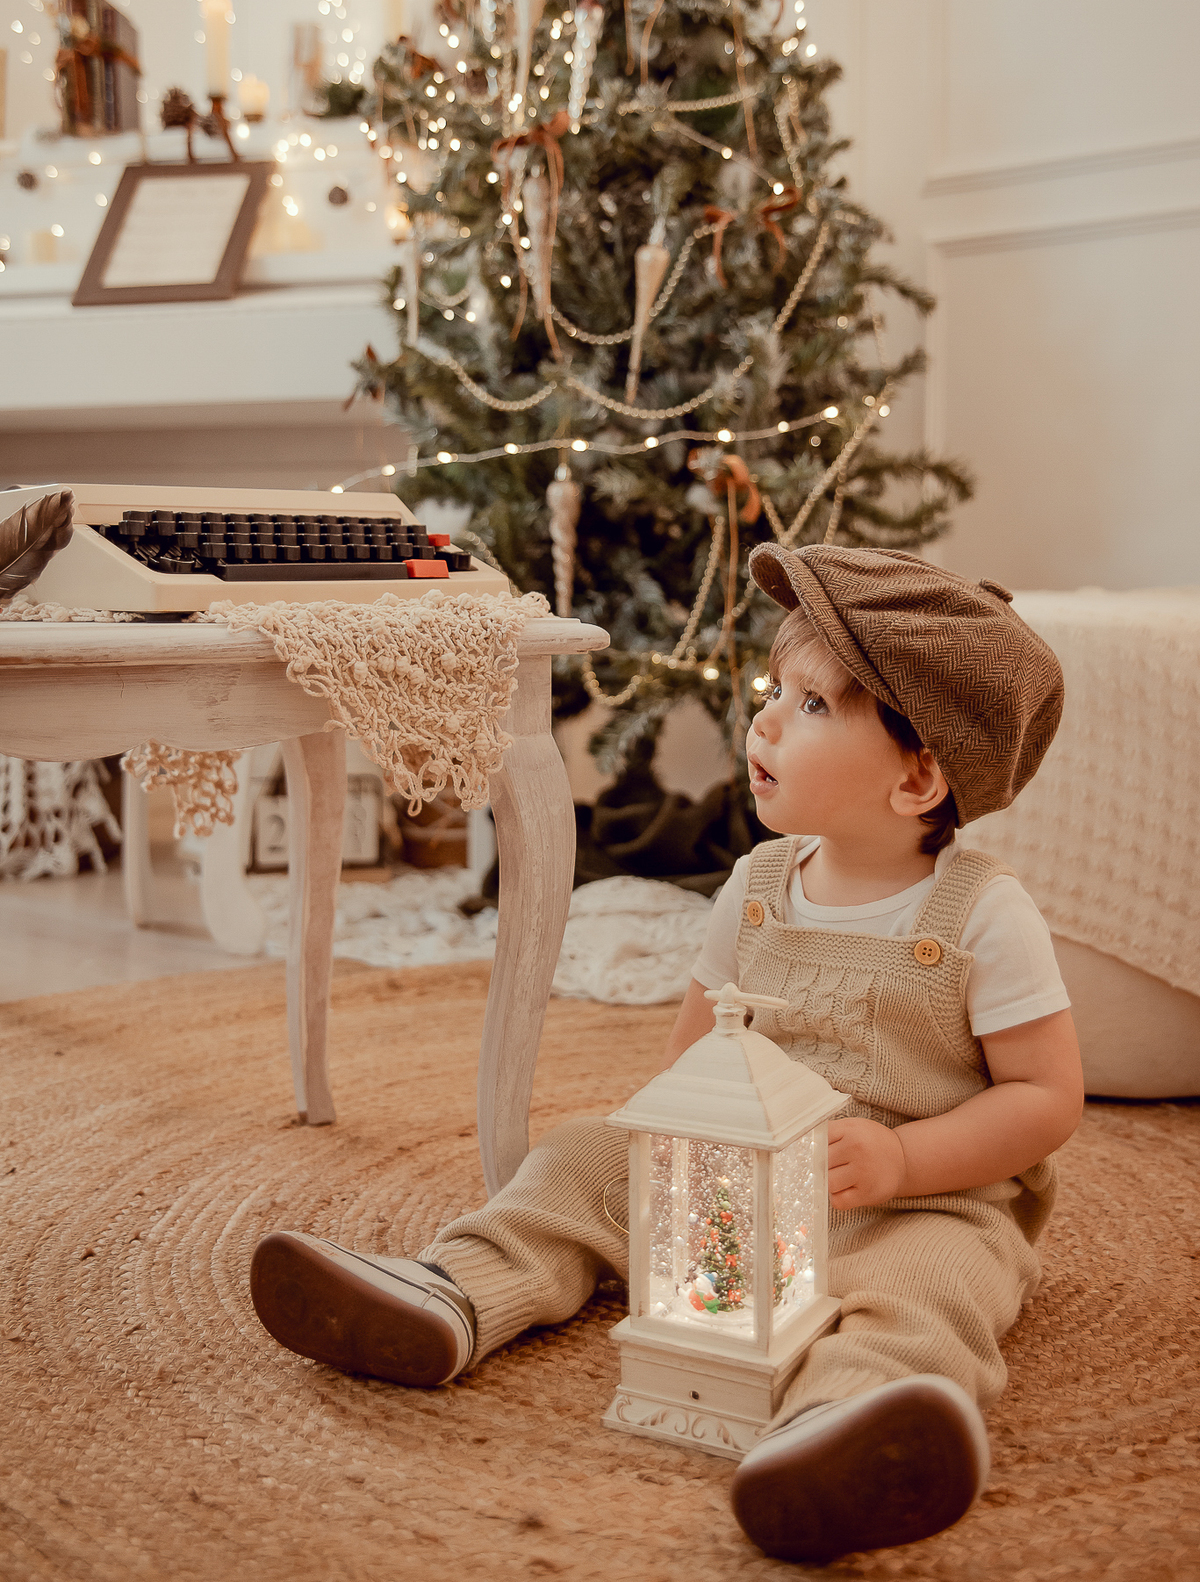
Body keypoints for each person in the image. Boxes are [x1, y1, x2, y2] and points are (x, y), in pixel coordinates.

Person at [249, 543, 1083, 1565]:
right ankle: (455, 1288)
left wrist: (906, 1162)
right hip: (742, 1179)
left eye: (813, 706)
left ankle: (845, 1426)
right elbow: (688, 1060)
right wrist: (653, 1165)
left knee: (935, 1284)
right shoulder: (758, 885)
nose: (764, 719)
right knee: (581, 1155)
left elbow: (1046, 1097)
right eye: (775, 689)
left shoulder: (983, 914)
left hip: (924, 1196)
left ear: (918, 776)